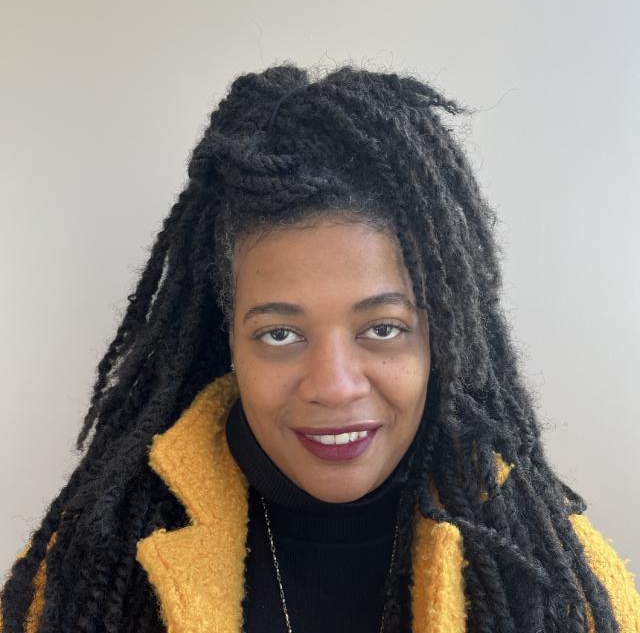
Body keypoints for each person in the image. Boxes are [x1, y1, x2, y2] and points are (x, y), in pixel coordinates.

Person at [1, 63, 638, 633]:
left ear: (438, 334)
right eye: (281, 334)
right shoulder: (88, 572)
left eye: (382, 328)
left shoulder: (563, 586)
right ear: (230, 338)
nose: (334, 386)